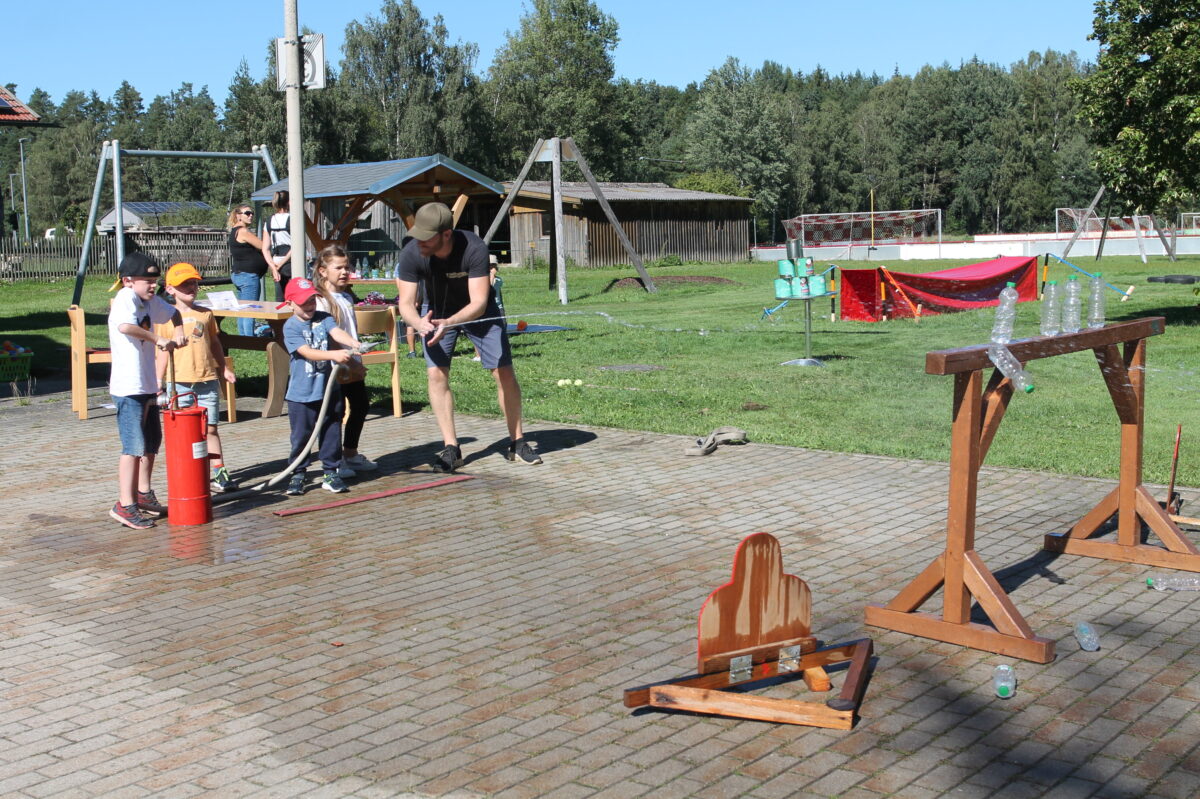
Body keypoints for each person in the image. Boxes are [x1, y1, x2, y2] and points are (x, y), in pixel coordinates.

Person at [395, 202, 542, 472]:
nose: (420, 243)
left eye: (427, 238)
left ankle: (517, 442)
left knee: (503, 373)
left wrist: (449, 323)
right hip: (435, 313)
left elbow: (479, 301)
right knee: (436, 375)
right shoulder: (411, 253)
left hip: (479, 312)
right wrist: (420, 324)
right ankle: (452, 448)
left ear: (446, 235)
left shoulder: (474, 248)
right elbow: (405, 303)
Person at [107, 252, 187, 529]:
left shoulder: (149, 301)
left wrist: (178, 332)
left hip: (148, 385)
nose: (153, 286)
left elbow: (174, 312)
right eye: (147, 281)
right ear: (128, 281)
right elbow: (126, 326)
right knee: (133, 447)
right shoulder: (125, 298)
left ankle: (143, 494)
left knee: (152, 443)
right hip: (129, 387)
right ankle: (124, 504)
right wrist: (158, 338)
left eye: (155, 280)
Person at [154, 262, 239, 493]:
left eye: (193, 283)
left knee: (210, 428)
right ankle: (189, 472)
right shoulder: (164, 318)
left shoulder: (205, 314)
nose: (191, 288)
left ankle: (219, 472)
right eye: (184, 285)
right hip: (178, 383)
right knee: (184, 431)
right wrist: (158, 383)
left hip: (206, 380)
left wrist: (224, 369)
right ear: (170, 289)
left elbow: (214, 343)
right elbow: (161, 352)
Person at [281, 277, 361, 496]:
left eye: (312, 300)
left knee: (331, 431)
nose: (309, 305)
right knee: (301, 436)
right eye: (303, 302)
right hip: (301, 394)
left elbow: (337, 332)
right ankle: (298, 473)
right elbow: (307, 352)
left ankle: (330, 472)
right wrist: (334, 354)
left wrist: (353, 342)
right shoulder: (291, 326)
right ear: (290, 304)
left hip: (328, 390)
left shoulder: (324, 318)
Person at [312, 244, 379, 478]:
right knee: (335, 413)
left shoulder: (346, 296)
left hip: (351, 362)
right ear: (322, 271)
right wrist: (352, 363)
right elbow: (329, 338)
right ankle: (334, 459)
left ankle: (350, 453)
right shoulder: (320, 301)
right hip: (334, 366)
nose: (344, 272)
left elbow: (350, 329)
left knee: (360, 406)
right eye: (338, 268)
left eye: (346, 267)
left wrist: (357, 355)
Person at [226, 203, 270, 336]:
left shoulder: (234, 231)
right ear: (238, 215)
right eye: (247, 213)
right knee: (250, 310)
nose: (251, 216)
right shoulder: (243, 231)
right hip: (248, 276)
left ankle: (243, 337)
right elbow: (263, 246)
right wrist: (268, 234)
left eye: (252, 213)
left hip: (240, 274)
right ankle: (249, 339)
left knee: (243, 309)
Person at [262, 190, 293, 302]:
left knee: (280, 299)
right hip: (291, 262)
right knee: (295, 297)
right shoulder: (293, 219)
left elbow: (265, 249)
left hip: (276, 261)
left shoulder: (269, 221)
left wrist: (274, 267)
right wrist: (282, 263)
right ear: (289, 202)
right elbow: (296, 247)